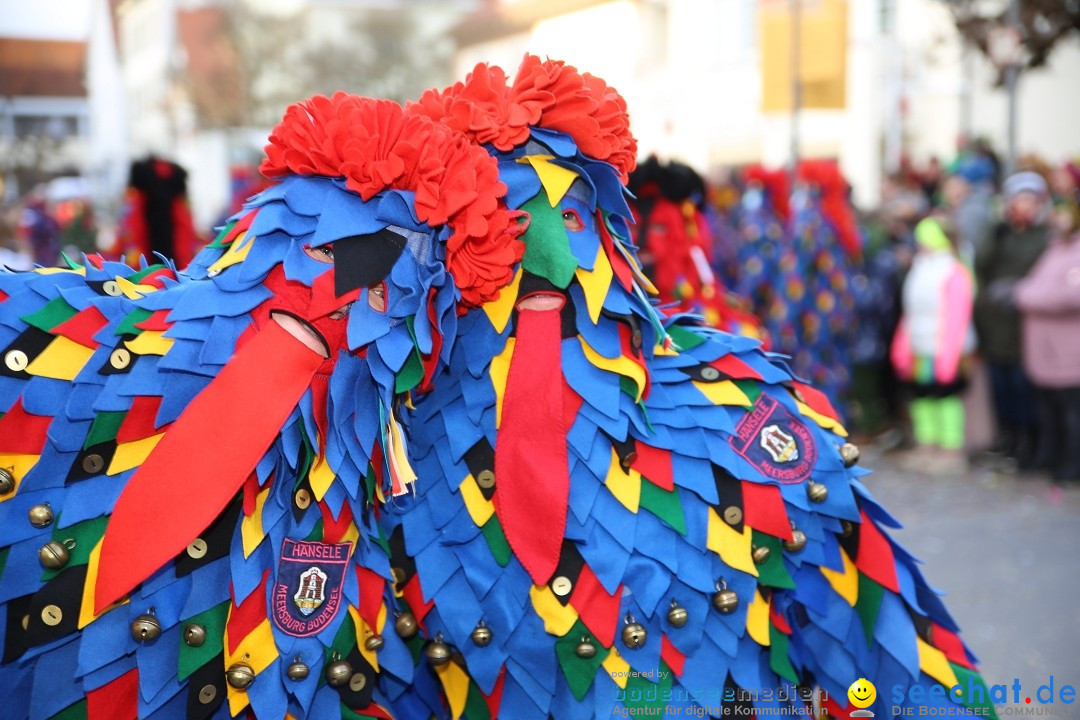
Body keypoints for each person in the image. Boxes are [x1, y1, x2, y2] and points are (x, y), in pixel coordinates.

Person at [973, 171, 1052, 466]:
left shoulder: (1044, 237)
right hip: (996, 325)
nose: (1023, 206)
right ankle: (1006, 437)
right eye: (1018, 200)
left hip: (1024, 325)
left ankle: (1027, 441)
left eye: (1029, 200)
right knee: (1001, 386)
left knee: (1023, 388)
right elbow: (982, 263)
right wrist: (995, 233)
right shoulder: (1000, 233)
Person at [891, 217, 975, 474]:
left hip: (944, 346)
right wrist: (902, 344)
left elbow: (957, 316)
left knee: (946, 396)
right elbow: (910, 310)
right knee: (921, 396)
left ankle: (951, 446)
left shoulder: (954, 271)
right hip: (920, 344)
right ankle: (926, 442)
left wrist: (949, 354)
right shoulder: (919, 268)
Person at [1014, 226, 1080, 481]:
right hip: (1046, 351)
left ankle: (1073, 463)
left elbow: (1071, 295)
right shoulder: (1053, 250)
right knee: (1049, 410)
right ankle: (1051, 457)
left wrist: (1025, 295)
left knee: (1071, 412)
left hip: (1069, 351)